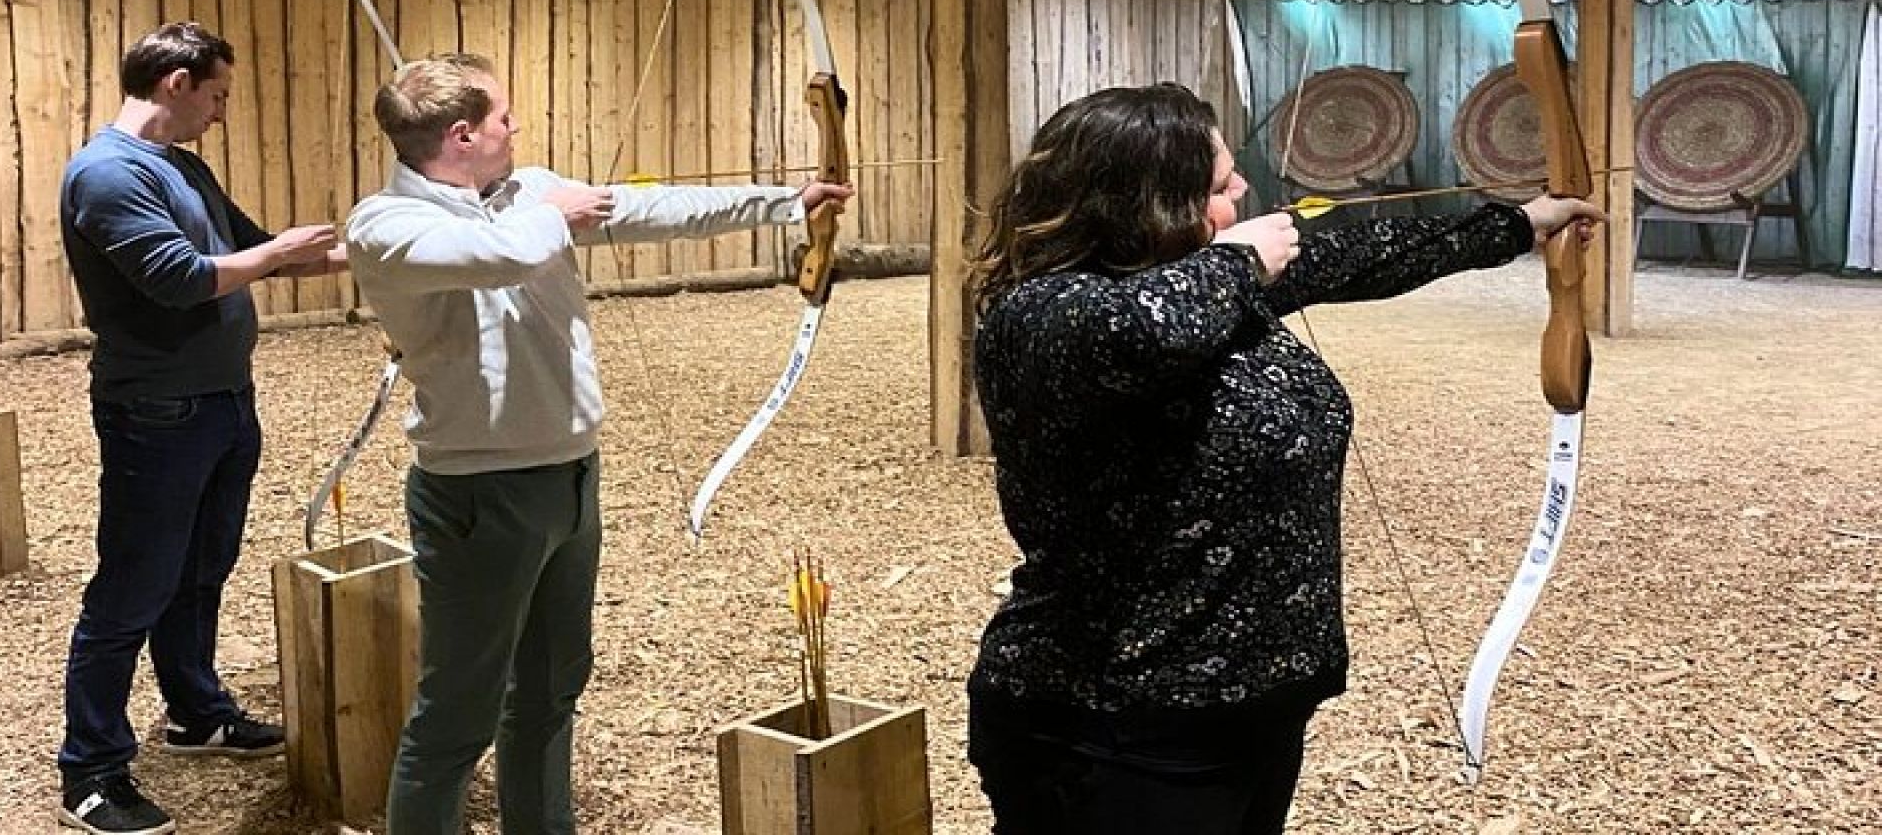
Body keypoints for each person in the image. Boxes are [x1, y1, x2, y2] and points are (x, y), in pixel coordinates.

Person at [963, 83, 1603, 835]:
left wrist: (1522, 225)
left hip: (1248, 704)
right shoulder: (1042, 313)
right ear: (1149, 202)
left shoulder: (1208, 283)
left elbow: (1367, 253)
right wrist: (1237, 259)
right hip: (1109, 719)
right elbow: (1139, 334)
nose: (1244, 194)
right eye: (1219, 186)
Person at [344, 53, 852, 833]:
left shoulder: (527, 193)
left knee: (551, 692)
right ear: (461, 134)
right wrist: (560, 211)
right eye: (503, 118)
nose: (515, 129)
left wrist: (789, 201)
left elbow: (653, 209)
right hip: (480, 495)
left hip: (571, 479)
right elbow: (498, 255)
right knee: (455, 720)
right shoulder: (386, 225)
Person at [56, 22, 349, 835]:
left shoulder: (183, 165)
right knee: (131, 589)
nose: (220, 111)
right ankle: (91, 768)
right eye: (217, 94)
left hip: (222, 400)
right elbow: (181, 280)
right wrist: (277, 253)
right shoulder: (108, 174)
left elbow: (253, 251)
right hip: (156, 411)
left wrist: (366, 251)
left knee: (200, 569)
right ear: (177, 84)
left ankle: (193, 712)